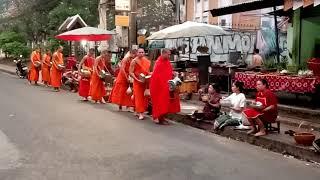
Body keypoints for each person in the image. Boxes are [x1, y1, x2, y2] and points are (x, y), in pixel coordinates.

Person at [150, 49, 180, 124]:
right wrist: (162, 85)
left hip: (166, 85)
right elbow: (155, 76)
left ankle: (163, 117)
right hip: (158, 86)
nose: (169, 56)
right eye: (168, 54)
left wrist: (173, 74)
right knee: (159, 102)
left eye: (170, 54)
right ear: (163, 54)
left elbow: (168, 72)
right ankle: (158, 117)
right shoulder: (158, 63)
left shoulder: (167, 62)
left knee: (166, 102)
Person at [129, 48, 151, 120]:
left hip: (145, 81)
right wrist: (136, 79)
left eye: (142, 52)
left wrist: (150, 75)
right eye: (139, 52)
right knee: (139, 97)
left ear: (144, 53)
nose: (141, 53)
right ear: (137, 53)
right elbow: (131, 72)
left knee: (144, 97)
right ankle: (141, 112)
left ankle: (138, 110)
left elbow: (148, 71)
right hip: (137, 81)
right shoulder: (134, 61)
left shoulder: (147, 61)